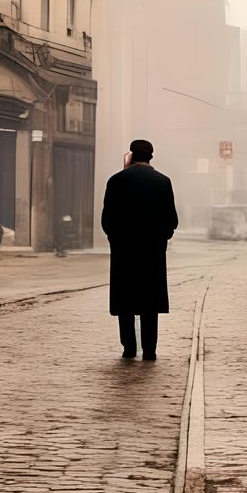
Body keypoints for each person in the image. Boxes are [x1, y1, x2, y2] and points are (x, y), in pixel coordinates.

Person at [100, 138, 178, 360]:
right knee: (149, 303)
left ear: (131, 156)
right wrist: (161, 238)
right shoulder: (163, 182)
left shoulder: (116, 181)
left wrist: (116, 240)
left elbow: (106, 220)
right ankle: (150, 350)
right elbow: (172, 220)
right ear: (151, 157)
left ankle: (129, 348)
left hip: (124, 252)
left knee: (125, 302)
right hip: (152, 253)